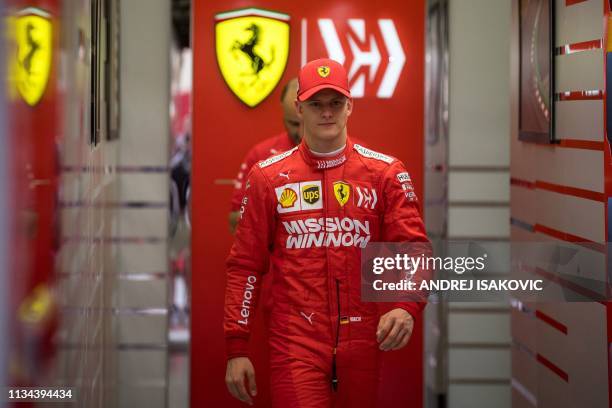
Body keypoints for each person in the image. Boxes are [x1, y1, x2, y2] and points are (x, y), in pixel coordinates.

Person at [224, 58, 429, 407]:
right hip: (295, 339)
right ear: (299, 107)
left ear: (350, 106)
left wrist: (406, 305)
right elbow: (244, 265)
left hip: (364, 337)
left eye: (335, 103)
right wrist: (236, 346)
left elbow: (414, 249)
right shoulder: (267, 177)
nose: (327, 113)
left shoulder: (384, 173)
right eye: (316, 104)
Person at [228, 78, 301, 234]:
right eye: (294, 124)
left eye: (306, 123)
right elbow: (234, 219)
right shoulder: (261, 156)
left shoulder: (357, 159)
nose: (301, 133)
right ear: (282, 113)